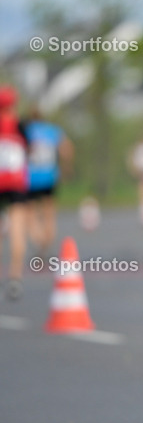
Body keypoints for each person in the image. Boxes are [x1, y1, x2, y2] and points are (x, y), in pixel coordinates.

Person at [23, 106, 74, 259]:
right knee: (49, 212)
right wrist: (66, 166)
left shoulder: (26, 131)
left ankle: (39, 240)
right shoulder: (52, 130)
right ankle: (47, 240)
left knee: (30, 212)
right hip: (49, 176)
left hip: (30, 178)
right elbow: (67, 149)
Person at [0, 86, 29, 299]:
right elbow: (29, 149)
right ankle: (15, 278)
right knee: (18, 230)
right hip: (17, 183)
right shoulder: (20, 125)